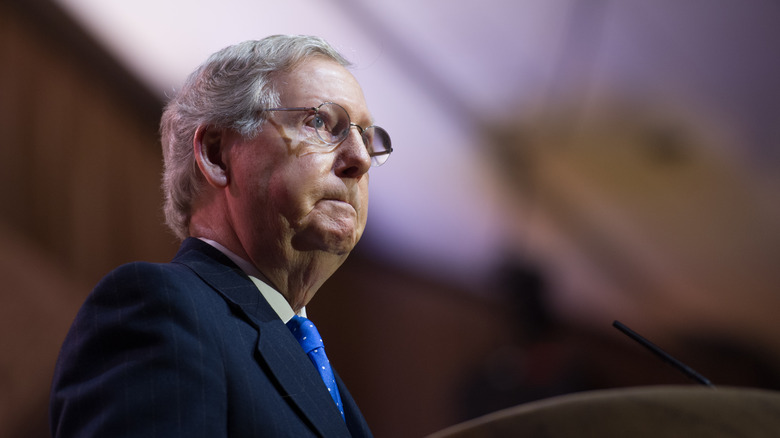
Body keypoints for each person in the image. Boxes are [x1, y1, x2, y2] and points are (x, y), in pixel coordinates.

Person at [49, 35, 392, 437]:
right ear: (215, 154)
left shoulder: (316, 367)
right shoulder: (158, 310)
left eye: (366, 137)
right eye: (319, 122)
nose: (360, 159)